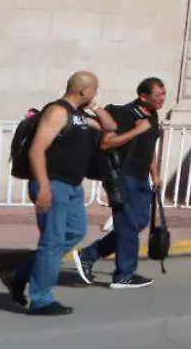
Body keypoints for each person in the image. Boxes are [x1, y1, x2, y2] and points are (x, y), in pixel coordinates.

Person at [7, 72, 116, 315]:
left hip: (73, 186)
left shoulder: (78, 115)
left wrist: (95, 106)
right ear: (83, 90)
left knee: (76, 231)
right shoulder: (58, 112)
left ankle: (22, 274)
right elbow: (37, 150)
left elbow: (109, 127)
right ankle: (41, 300)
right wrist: (44, 186)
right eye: (94, 91)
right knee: (53, 241)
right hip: (53, 184)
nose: (96, 94)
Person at [77, 77, 166, 289]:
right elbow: (107, 143)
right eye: (158, 95)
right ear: (143, 96)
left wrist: (155, 174)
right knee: (127, 224)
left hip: (141, 176)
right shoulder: (124, 114)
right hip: (121, 176)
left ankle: (89, 255)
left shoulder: (152, 115)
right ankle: (124, 275)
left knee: (139, 222)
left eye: (164, 94)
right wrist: (136, 130)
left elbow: (149, 147)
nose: (162, 99)